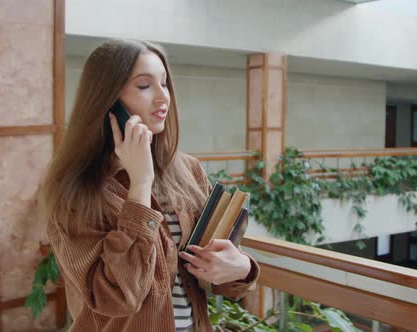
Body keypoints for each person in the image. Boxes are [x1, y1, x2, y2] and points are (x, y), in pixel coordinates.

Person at [39, 38, 259, 332]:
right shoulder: (76, 188)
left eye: (164, 83)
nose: (162, 97)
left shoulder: (187, 170)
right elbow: (116, 297)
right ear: (108, 100)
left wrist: (242, 268)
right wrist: (140, 183)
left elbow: (215, 272)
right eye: (144, 86)